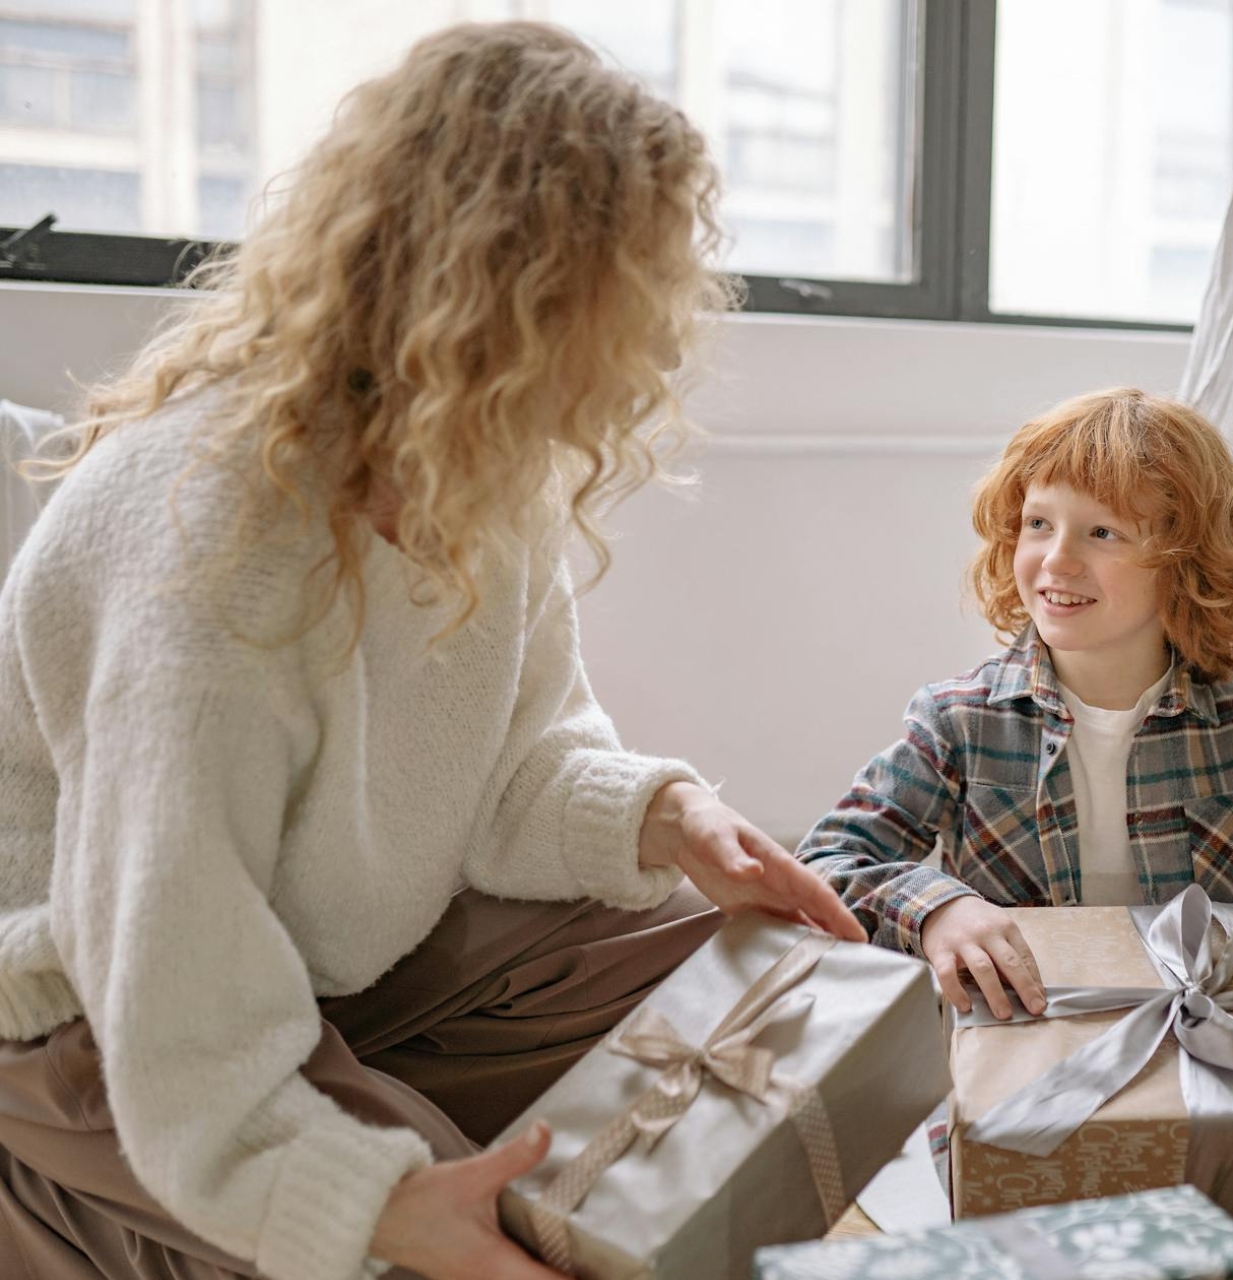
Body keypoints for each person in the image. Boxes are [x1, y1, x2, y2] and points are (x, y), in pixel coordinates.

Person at [0, 23, 860, 1280]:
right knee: (424, 1229)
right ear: (515, 284)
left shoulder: (476, 469)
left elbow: (514, 760)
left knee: (749, 997)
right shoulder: (211, 536)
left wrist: (668, 815)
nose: (667, 343)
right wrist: (373, 1199)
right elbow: (167, 949)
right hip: (96, 996)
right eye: (642, 294)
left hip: (324, 955)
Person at [797, 388, 1233, 1021]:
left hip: (1203, 1050)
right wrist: (937, 908)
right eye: (1038, 523)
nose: (1056, 561)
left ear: (1186, 559)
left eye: (1103, 533)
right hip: (1022, 1052)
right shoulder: (959, 722)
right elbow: (824, 865)